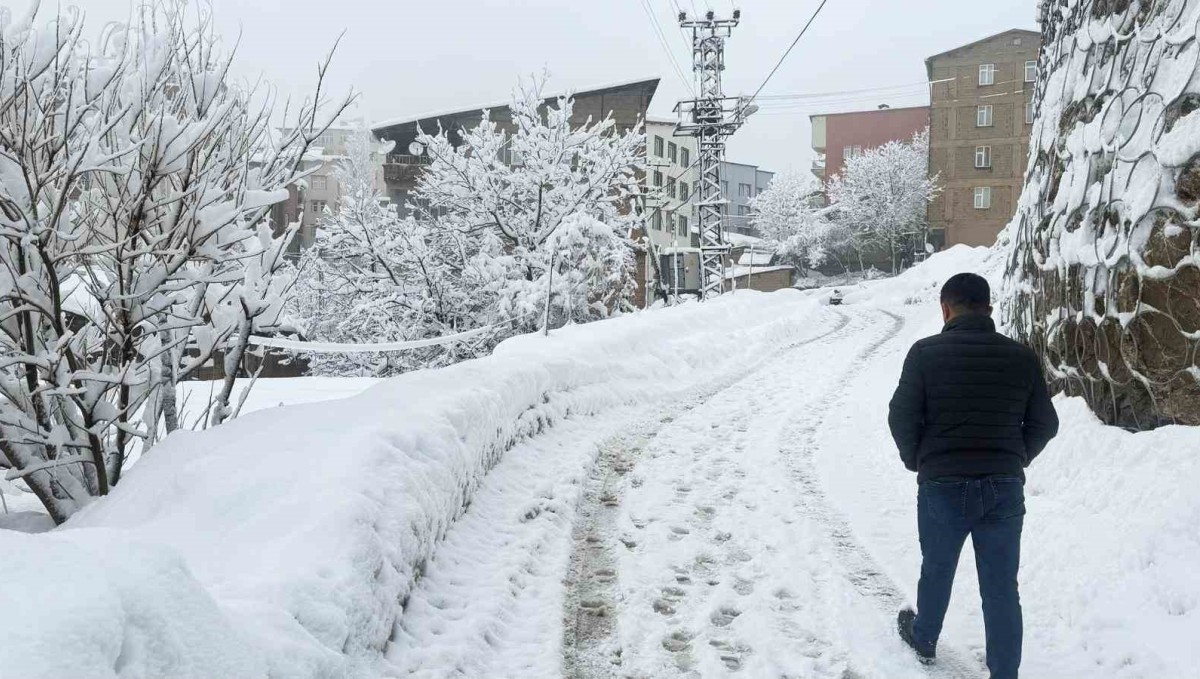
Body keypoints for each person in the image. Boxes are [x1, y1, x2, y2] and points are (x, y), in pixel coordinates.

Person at [887, 273, 1058, 679]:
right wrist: (1015, 459)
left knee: (937, 566)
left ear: (945, 309)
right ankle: (1004, 673)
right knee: (1001, 587)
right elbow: (1045, 423)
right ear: (989, 309)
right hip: (1002, 487)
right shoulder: (1021, 357)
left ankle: (925, 637)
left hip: (942, 485)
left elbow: (901, 416)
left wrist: (919, 461)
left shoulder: (924, 354)